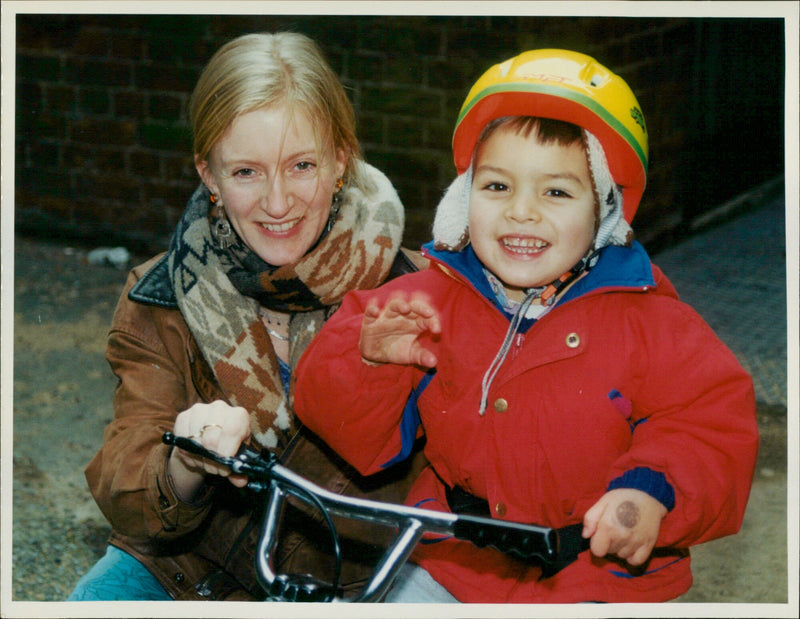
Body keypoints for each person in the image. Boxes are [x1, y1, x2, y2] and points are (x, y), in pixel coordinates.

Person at [293, 49, 759, 603]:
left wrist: (651, 493)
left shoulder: (650, 320)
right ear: (465, 199)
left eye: (556, 192)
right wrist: (368, 360)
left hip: (598, 575)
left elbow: (710, 424)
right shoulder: (430, 298)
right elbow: (332, 414)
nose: (521, 212)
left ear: (603, 211)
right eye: (497, 187)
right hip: (453, 555)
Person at [68, 31, 427, 601]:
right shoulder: (159, 294)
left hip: (353, 579)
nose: (278, 203)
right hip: (188, 566)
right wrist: (186, 461)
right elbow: (127, 483)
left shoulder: (417, 293)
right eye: (246, 173)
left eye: (302, 165)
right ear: (209, 176)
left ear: (341, 161)